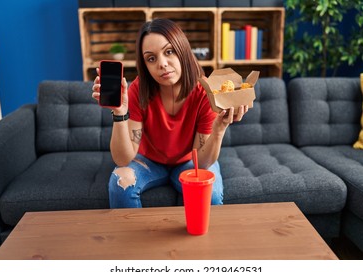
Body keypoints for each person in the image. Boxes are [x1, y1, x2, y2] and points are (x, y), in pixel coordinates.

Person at [92, 18, 249, 208]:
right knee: (120, 182)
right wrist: (119, 112)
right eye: (151, 58)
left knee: (210, 193)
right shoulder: (137, 90)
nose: (162, 64)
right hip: (148, 161)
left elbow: (203, 161)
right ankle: (131, 239)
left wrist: (219, 129)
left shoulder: (205, 91)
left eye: (169, 51)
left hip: (189, 161)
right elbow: (123, 159)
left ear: (182, 49)